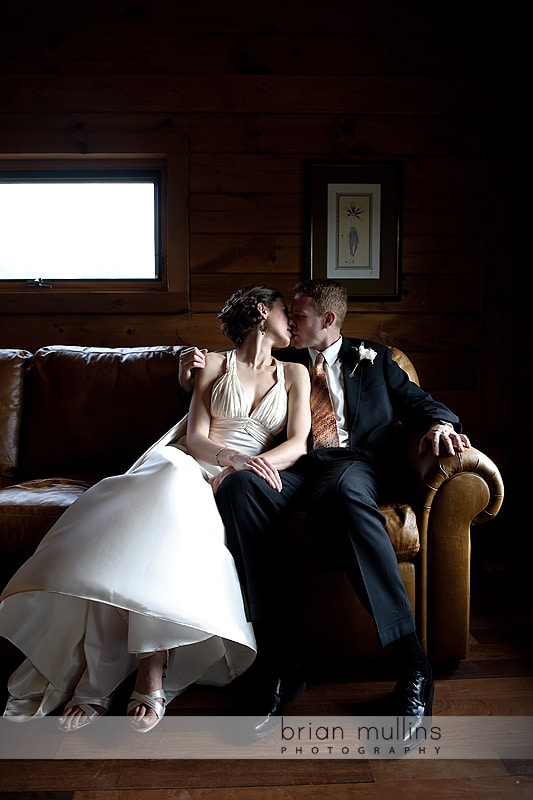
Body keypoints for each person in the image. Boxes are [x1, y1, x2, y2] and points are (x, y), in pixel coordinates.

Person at [0, 285, 311, 733]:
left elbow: (299, 444)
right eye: (286, 311)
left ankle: (131, 673)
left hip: (239, 476)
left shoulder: (294, 374)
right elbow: (199, 435)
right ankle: (147, 666)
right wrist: (231, 459)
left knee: (164, 522)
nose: (293, 322)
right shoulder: (214, 364)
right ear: (263, 311)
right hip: (191, 462)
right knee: (160, 495)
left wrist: (250, 469)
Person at [181, 278, 471, 740]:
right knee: (239, 491)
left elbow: (421, 403)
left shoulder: (375, 361)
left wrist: (440, 423)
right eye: (287, 316)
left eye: (299, 317)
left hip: (348, 463)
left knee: (344, 495)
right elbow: (235, 372)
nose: (291, 323)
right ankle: (277, 661)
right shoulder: (285, 358)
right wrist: (191, 369)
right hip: (292, 466)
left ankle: (413, 664)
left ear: (328, 320)